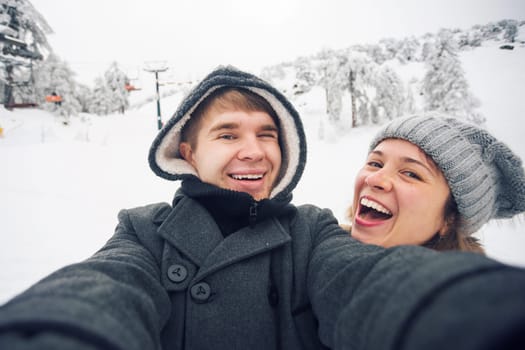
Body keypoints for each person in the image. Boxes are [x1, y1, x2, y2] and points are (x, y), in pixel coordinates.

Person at [1, 66, 525, 350]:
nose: (252, 150)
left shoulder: (312, 234)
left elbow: (369, 284)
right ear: (189, 153)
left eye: (267, 134)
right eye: (228, 134)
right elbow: (102, 292)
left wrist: (476, 312)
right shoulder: (143, 231)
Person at [343, 113, 525, 253]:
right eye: (375, 164)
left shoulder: (450, 297)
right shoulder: (322, 248)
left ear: (450, 219)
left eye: (411, 174)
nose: (374, 178)